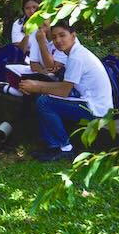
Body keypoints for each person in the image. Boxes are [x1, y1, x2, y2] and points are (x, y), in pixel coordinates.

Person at [18, 21, 112, 162]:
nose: (58, 40)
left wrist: (36, 86)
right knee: (44, 98)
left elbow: (63, 91)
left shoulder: (76, 56)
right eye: (54, 37)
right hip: (88, 100)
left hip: (96, 108)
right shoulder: (73, 53)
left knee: (45, 102)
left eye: (62, 35)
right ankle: (52, 146)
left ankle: (65, 148)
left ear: (73, 36)